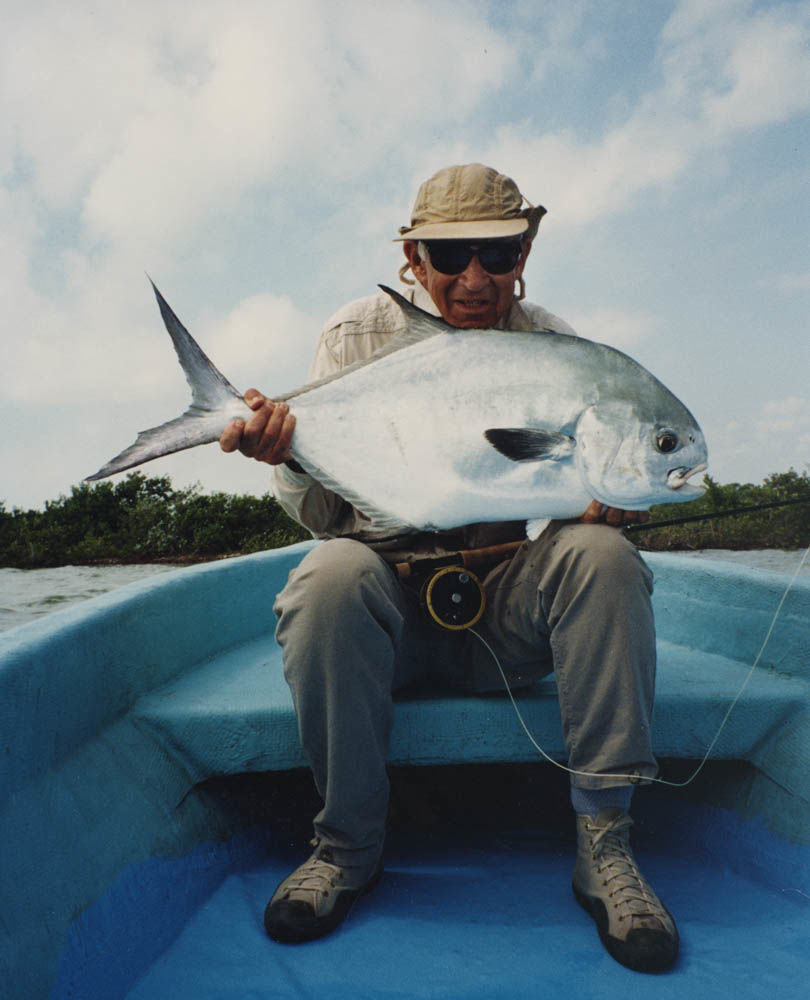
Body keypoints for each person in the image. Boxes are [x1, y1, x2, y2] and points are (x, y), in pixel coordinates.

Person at [219, 164, 679, 973]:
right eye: (450, 253)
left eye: (497, 255)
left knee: (604, 555)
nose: (475, 279)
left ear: (525, 250)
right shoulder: (353, 339)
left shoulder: (555, 349)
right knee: (327, 576)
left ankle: (607, 848)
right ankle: (346, 848)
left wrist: (611, 500)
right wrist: (290, 461)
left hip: (505, 609)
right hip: (387, 614)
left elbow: (567, 503)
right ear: (413, 258)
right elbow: (327, 517)